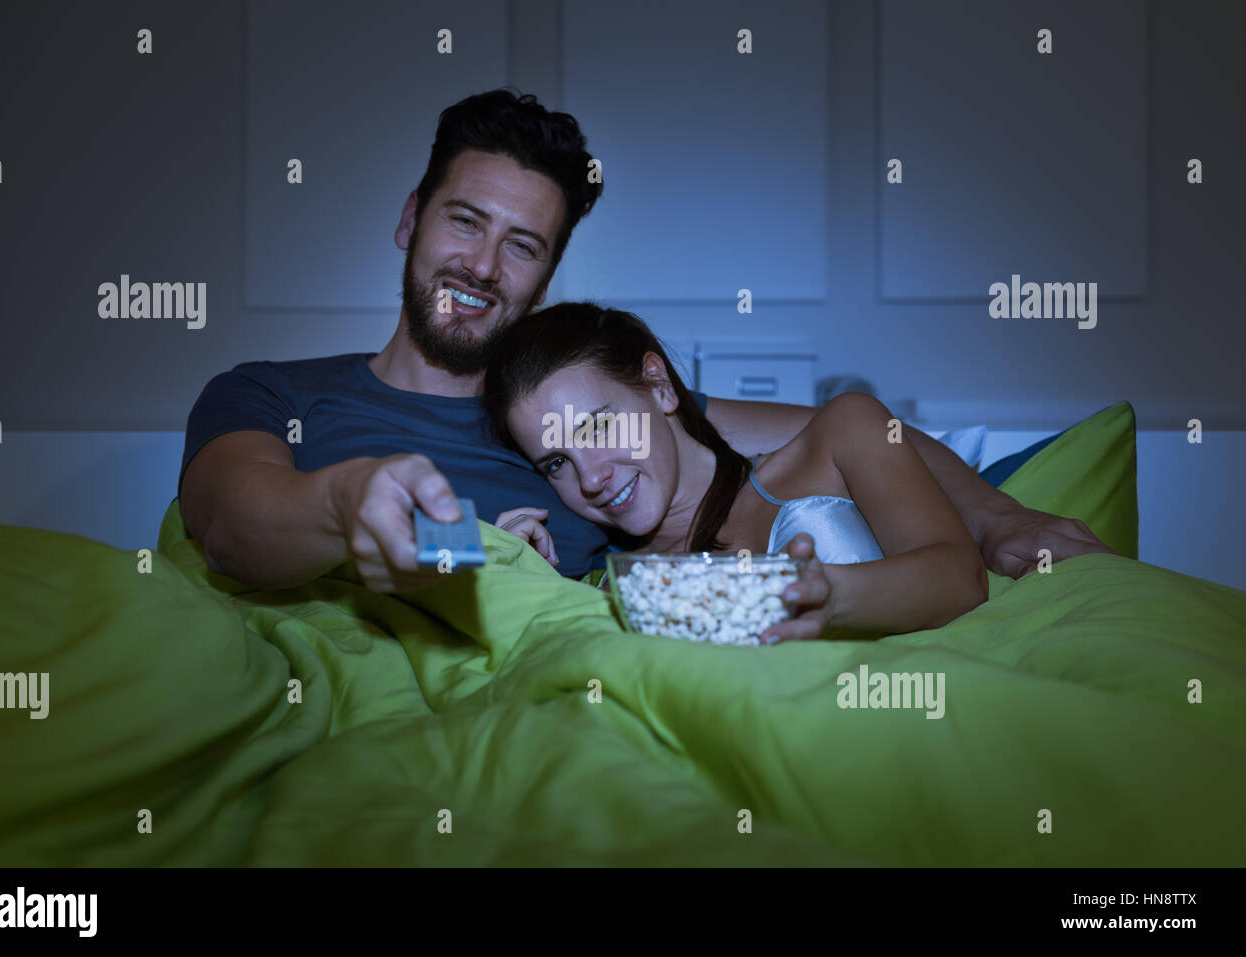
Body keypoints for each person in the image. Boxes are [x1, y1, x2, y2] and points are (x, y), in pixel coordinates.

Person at [178, 88, 1113, 616]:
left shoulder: (576, 423)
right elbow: (230, 522)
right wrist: (349, 501)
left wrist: (992, 520)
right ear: (411, 220)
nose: (483, 266)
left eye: (523, 244)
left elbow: (857, 435)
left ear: (543, 278)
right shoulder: (272, 394)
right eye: (465, 222)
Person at [484, 303, 990, 642]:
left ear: (658, 385)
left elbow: (962, 577)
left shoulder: (843, 435)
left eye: (597, 429)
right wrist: (513, 575)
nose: (590, 480)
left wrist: (826, 599)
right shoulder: (611, 587)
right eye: (556, 463)